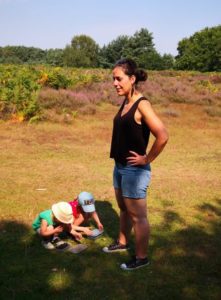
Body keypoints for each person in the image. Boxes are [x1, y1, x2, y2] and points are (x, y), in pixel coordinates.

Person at [102, 58, 169, 270]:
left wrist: (147, 159)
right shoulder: (126, 101)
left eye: (119, 79)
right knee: (123, 208)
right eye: (113, 79)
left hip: (134, 170)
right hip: (119, 166)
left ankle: (141, 258)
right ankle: (122, 243)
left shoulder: (142, 104)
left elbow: (163, 135)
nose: (115, 83)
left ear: (132, 79)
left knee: (138, 216)